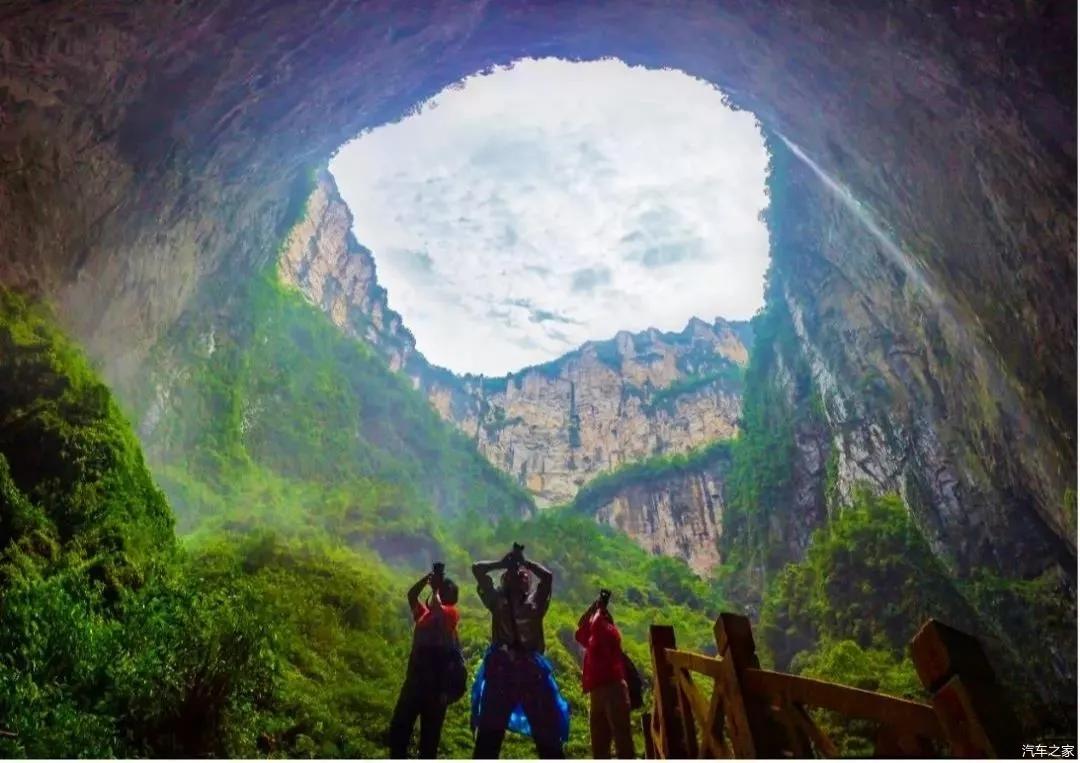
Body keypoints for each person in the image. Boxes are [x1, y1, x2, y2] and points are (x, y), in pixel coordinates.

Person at [470, 544, 569, 759]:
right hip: (502, 673)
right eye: (517, 574)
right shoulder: (498, 601)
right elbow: (477, 568)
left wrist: (524, 562)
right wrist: (502, 563)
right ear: (506, 579)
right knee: (489, 735)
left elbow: (548, 577)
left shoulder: (534, 602)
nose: (522, 576)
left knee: (546, 736)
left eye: (525, 575)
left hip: (529, 673)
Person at [388, 566, 461, 759]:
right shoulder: (424, 615)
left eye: (444, 590)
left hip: (436, 690)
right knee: (398, 730)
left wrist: (435, 589)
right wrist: (426, 581)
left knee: (429, 742)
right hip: (414, 683)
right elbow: (412, 595)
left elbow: (439, 610)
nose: (439, 592)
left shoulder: (450, 614)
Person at [575, 592, 635, 759]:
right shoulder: (593, 638)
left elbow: (596, 626)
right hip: (597, 691)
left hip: (613, 688)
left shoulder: (609, 632)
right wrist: (593, 608)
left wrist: (600, 608)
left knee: (622, 739)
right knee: (599, 742)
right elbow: (579, 631)